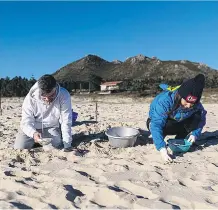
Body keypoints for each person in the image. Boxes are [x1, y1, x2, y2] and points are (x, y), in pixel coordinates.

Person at [147, 74, 207, 163]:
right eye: (186, 102)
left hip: (178, 122)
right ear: (180, 95)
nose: (189, 106)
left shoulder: (196, 104)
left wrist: (195, 133)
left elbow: (201, 117)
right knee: (158, 130)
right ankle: (159, 139)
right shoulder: (165, 100)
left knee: (196, 116)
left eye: (192, 103)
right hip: (159, 123)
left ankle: (179, 139)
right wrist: (162, 148)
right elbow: (156, 124)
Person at [14, 74, 74, 152]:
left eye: (51, 96)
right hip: (32, 127)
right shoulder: (30, 98)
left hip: (51, 126)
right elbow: (26, 122)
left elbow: (66, 120)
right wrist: (33, 133)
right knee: (20, 147)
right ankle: (35, 141)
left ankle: (40, 142)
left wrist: (67, 145)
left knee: (56, 144)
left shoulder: (64, 95)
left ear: (55, 88)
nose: (48, 100)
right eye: (44, 97)